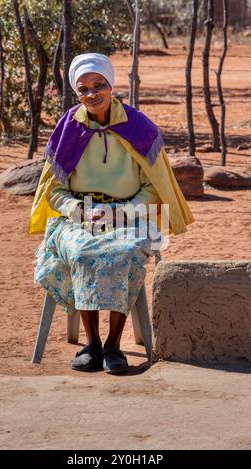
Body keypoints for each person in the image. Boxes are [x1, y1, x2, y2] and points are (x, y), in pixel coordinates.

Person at [29, 52, 194, 374]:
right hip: (79, 216)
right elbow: (53, 188)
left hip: (130, 214)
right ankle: (93, 344)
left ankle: (114, 345)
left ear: (110, 86)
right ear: (76, 93)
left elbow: (153, 185)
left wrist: (123, 212)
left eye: (98, 85)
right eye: (83, 89)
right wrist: (78, 210)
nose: (92, 94)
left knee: (125, 253)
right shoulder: (68, 129)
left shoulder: (138, 126)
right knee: (80, 253)